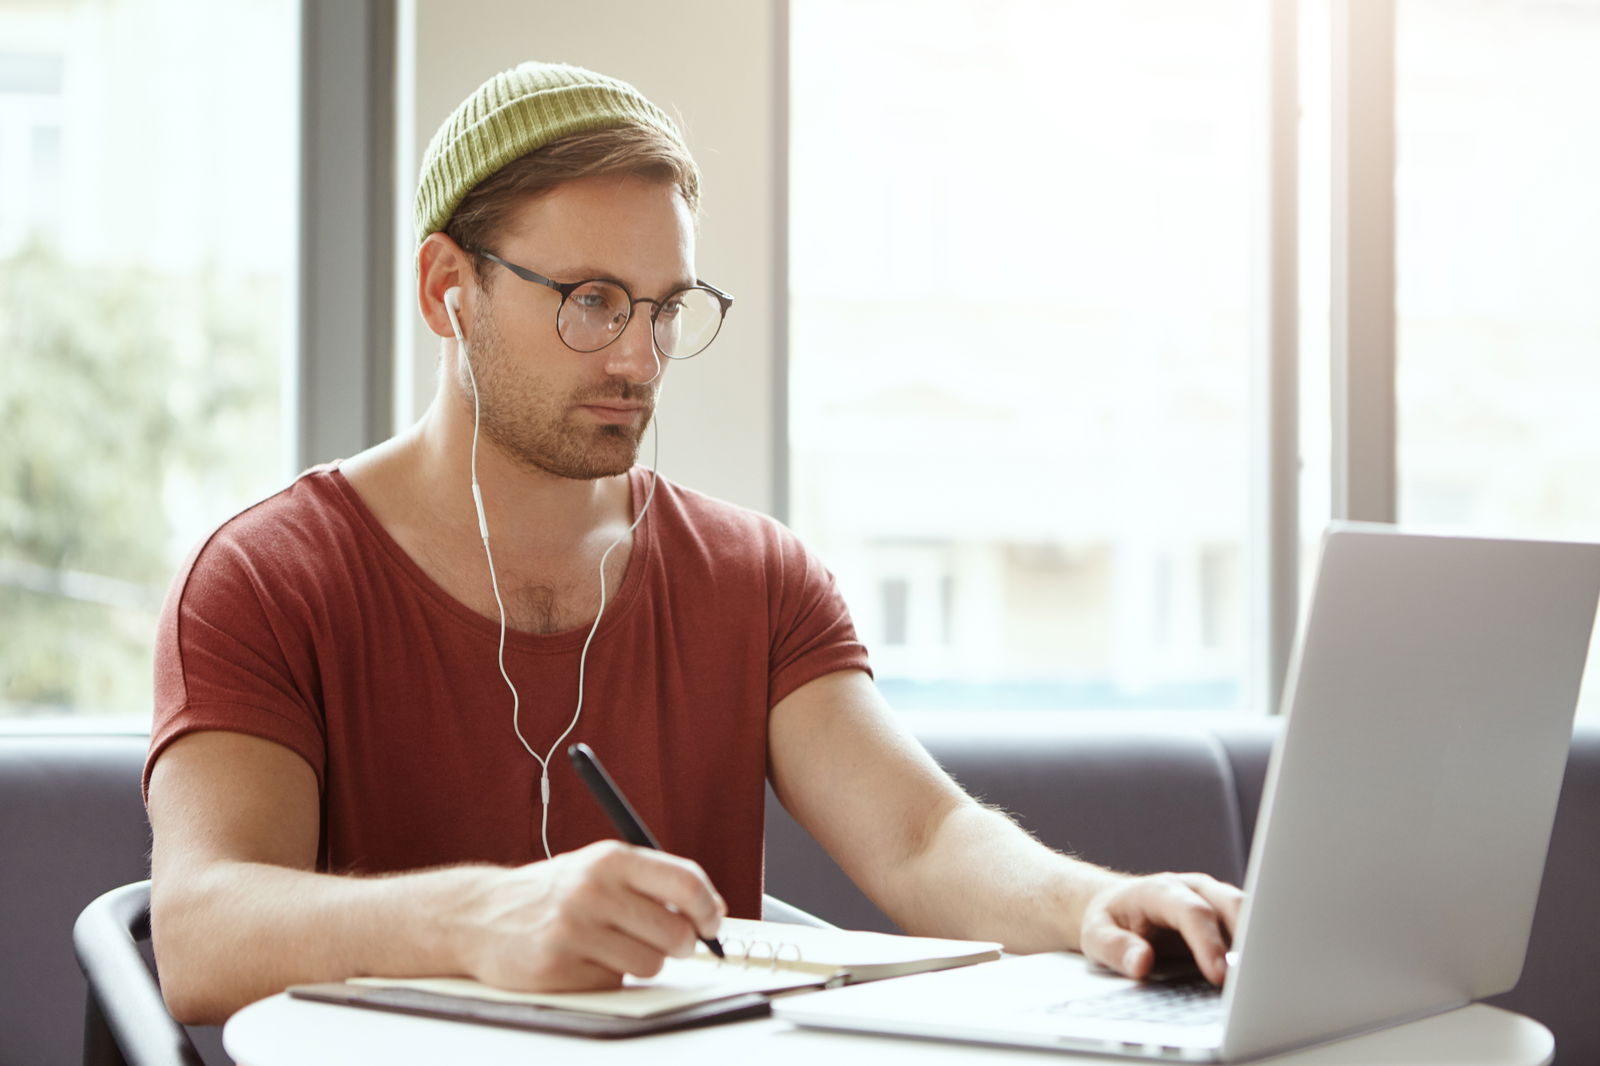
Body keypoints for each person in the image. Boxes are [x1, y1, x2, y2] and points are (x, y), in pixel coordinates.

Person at [145, 61, 1242, 1026]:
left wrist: (1088, 904)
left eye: (664, 308)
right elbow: (202, 933)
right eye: (590, 300)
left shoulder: (756, 579)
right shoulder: (262, 578)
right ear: (448, 289)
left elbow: (919, 839)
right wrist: (481, 913)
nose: (636, 358)